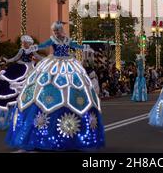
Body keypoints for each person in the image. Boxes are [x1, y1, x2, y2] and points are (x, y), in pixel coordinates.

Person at [6, 21, 104, 151]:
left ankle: (73, 134)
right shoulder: (52, 39)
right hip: (53, 65)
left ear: (61, 30)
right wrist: (33, 48)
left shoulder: (67, 40)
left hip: (69, 65)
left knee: (73, 90)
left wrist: (85, 47)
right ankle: (40, 130)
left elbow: (75, 46)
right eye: (54, 31)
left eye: (57, 31)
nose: (56, 33)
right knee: (45, 87)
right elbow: (43, 45)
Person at [0, 35, 41, 130]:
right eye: (23, 42)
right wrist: (8, 60)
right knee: (10, 86)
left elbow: (38, 56)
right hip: (20, 69)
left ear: (29, 43)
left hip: (29, 69)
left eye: (25, 42)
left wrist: (47, 59)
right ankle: (10, 117)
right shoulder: (21, 50)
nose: (24, 44)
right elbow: (15, 58)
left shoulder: (32, 50)